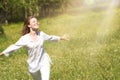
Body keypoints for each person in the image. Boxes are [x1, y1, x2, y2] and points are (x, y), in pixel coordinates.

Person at [0, 16, 68, 80]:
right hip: (33, 65)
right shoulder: (25, 38)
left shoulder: (41, 34)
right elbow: (15, 46)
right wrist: (2, 53)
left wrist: (61, 38)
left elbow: (50, 37)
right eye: (33, 22)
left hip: (44, 61)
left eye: (36, 21)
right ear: (29, 25)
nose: (36, 23)